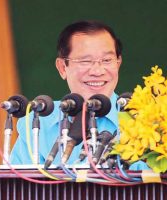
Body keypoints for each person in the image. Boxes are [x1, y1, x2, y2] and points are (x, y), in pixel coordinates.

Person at [10, 20, 148, 170]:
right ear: (62, 68)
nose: (97, 71)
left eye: (107, 60)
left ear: (118, 63)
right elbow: (20, 188)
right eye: (85, 61)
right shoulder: (38, 123)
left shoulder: (146, 120)